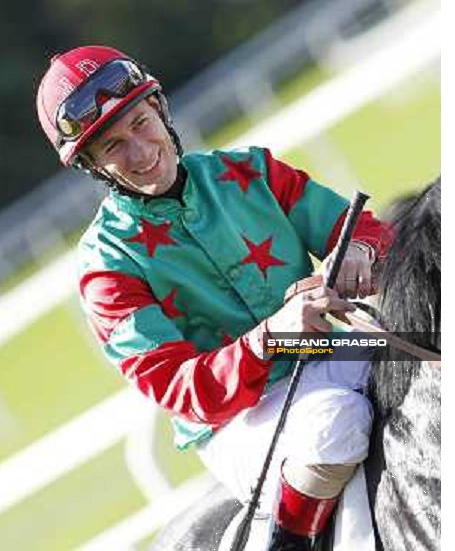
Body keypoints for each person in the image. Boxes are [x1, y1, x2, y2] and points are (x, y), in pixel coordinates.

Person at [36, 45, 393, 550]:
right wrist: (273, 336)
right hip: (237, 422)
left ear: (159, 108)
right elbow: (184, 391)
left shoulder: (251, 171)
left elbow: (371, 235)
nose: (139, 153)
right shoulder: (106, 268)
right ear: (93, 167)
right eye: (113, 146)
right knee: (337, 425)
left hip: (329, 353)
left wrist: (358, 251)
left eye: (140, 123)